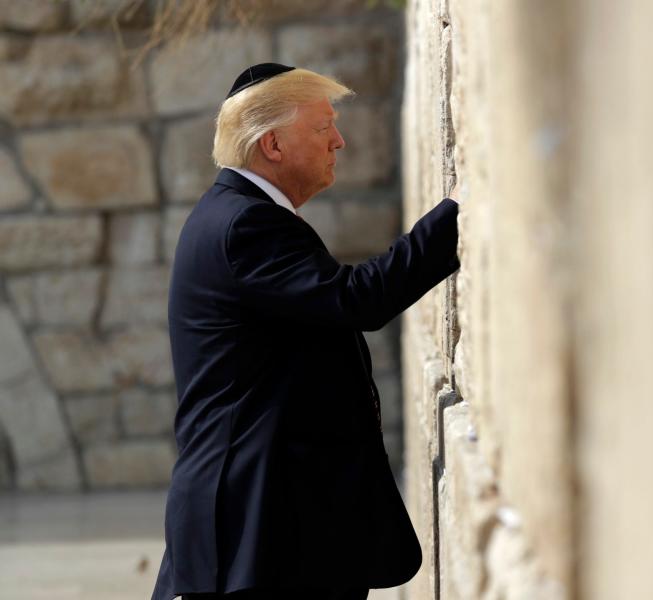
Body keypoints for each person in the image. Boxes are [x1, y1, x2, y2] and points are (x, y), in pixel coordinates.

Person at [151, 63, 460, 600]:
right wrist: (461, 215)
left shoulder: (233, 215)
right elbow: (354, 299)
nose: (338, 141)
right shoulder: (245, 225)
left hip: (275, 530)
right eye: (323, 128)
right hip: (260, 535)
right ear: (272, 143)